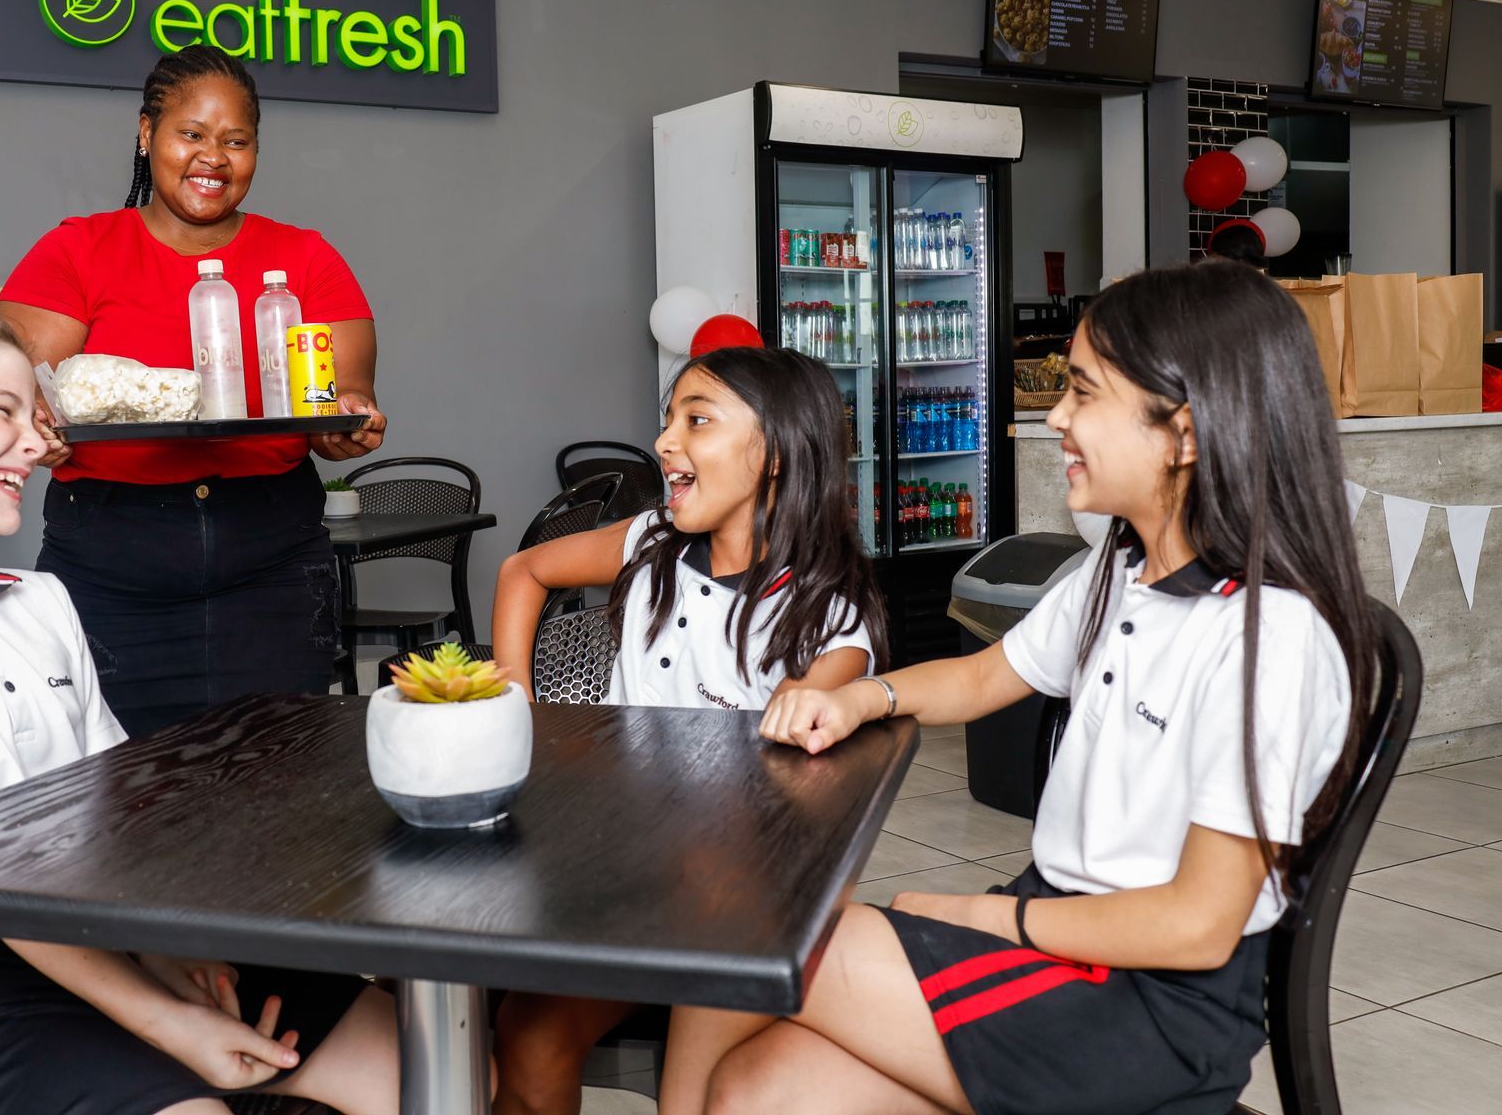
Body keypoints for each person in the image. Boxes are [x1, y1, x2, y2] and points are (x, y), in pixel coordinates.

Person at [662, 261, 1375, 1115]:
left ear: (1183, 433)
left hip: (1143, 1009)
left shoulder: (1271, 637)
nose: (1054, 416)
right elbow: (982, 675)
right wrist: (862, 697)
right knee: (753, 1090)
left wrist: (991, 920)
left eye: (1081, 392)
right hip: (1059, 941)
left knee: (753, 918)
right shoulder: (1118, 570)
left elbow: (1197, 923)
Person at [0, 304, 398, 1115]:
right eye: (3, 413)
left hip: (107, 937)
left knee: (424, 1061)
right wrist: (166, 1020)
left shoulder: (44, 601)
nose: (35, 442)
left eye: (33, 413)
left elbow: (110, 821)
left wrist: (167, 963)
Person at [487, 346, 889, 1115]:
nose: (666, 441)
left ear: (774, 453)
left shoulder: (828, 615)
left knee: (695, 1102)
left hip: (740, 901)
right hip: (619, 876)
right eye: (669, 419)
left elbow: (813, 728)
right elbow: (522, 572)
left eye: (696, 421)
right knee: (527, 1035)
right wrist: (517, 694)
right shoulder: (648, 546)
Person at [0, 44, 385, 737]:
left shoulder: (305, 259)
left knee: (281, 780)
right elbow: (10, 394)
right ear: (146, 134)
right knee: (119, 796)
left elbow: (336, 409)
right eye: (192, 135)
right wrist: (35, 427)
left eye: (236, 141)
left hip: (271, 576)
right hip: (112, 579)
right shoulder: (79, 249)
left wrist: (346, 420)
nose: (215, 157)